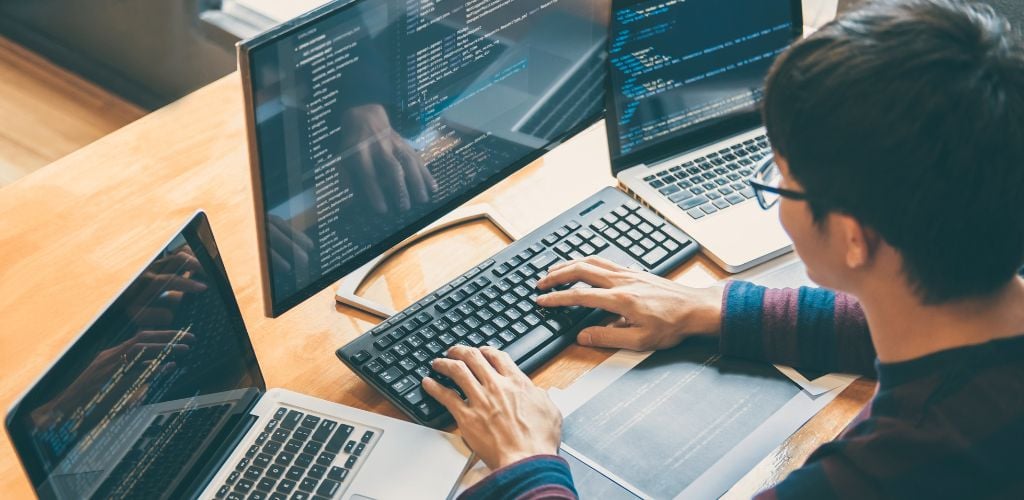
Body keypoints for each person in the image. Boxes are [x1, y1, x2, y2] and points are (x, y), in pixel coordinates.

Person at [420, 0, 1024, 497]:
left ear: (851, 237)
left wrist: (525, 462)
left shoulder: (894, 470)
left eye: (780, 179)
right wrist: (716, 308)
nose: (777, 195)